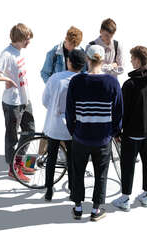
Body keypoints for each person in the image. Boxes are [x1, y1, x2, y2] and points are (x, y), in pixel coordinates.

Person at [66, 45, 123, 221]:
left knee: (77, 172)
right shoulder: (112, 83)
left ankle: (77, 207)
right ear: (103, 59)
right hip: (103, 138)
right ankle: (96, 210)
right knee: (101, 174)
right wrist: (113, 132)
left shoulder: (76, 81)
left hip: (80, 137)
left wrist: (73, 130)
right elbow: (118, 112)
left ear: (87, 60)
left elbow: (69, 111)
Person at [112, 46, 147, 211]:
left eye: (132, 58)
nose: (130, 61)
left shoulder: (129, 84)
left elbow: (120, 111)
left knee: (127, 166)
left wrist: (117, 131)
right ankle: (146, 195)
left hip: (132, 134)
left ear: (139, 60)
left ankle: (125, 198)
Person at [0, 23, 36, 182]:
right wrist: (5, 79)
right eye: (27, 39)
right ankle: (13, 169)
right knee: (12, 136)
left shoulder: (18, 52)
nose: (29, 42)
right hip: (12, 103)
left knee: (30, 131)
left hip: (24, 99)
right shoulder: (7, 54)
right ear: (20, 39)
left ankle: (22, 163)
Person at [42, 50, 86, 201]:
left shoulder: (55, 78)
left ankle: (48, 189)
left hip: (54, 125)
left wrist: (55, 109)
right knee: (72, 159)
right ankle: (72, 188)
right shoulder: (82, 81)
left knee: (51, 158)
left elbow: (45, 101)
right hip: (73, 127)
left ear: (69, 62)